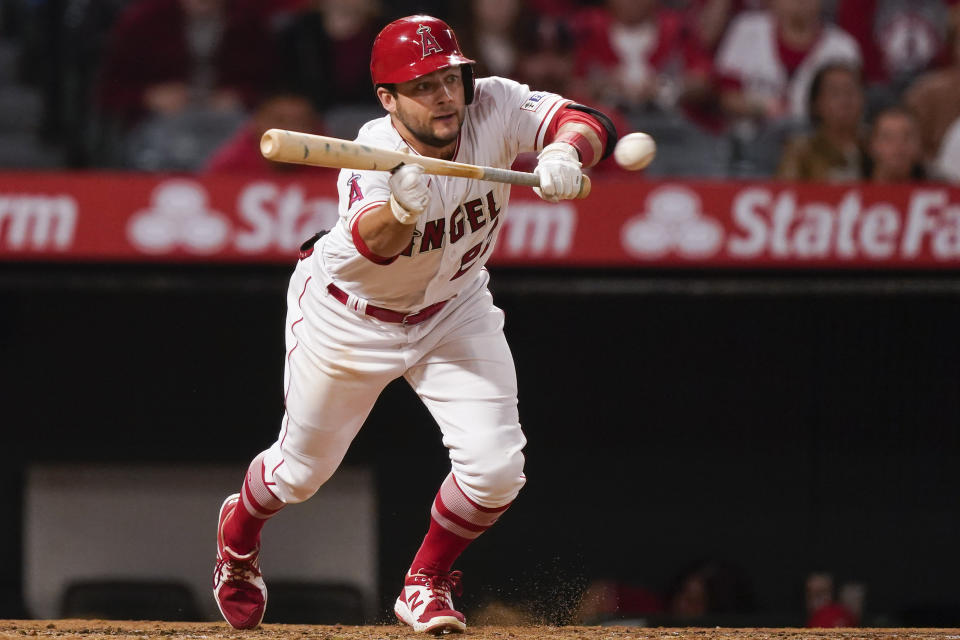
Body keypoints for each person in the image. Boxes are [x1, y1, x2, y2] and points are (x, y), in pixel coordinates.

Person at [210, 14, 617, 634]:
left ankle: (425, 583)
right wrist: (402, 206)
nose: (445, 95)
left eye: (451, 77)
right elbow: (375, 244)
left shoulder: (496, 104)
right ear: (389, 99)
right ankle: (239, 532)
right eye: (424, 85)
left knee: (498, 468)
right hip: (349, 320)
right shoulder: (370, 155)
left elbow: (588, 121)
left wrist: (565, 149)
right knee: (299, 473)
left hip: (454, 309)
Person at [777, 62, 866, 182]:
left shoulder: (874, 146)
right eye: (835, 93)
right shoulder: (801, 152)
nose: (845, 100)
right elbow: (787, 194)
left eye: (851, 91)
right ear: (816, 104)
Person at [864, 107, 925, 183]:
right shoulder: (850, 190)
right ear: (872, 145)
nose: (899, 145)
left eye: (907, 137)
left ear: (919, 145)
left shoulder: (937, 192)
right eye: (888, 137)